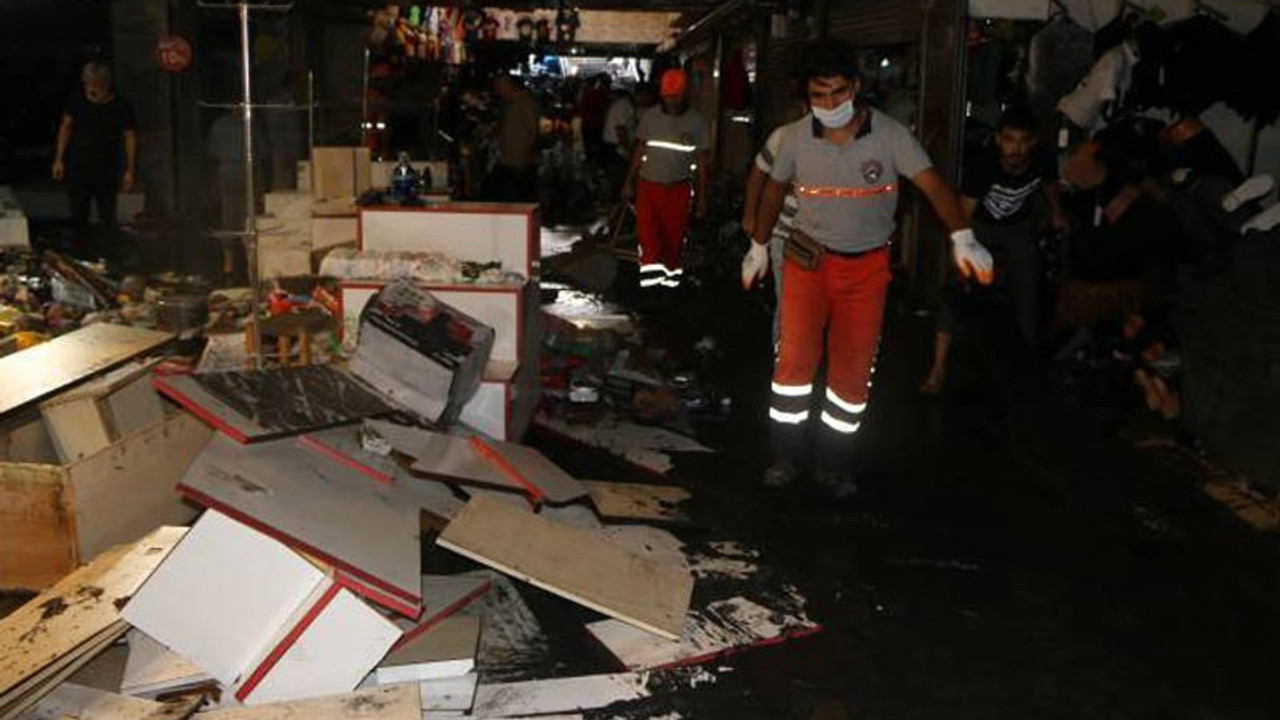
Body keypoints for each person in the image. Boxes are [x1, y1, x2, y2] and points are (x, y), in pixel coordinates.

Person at [741, 39, 993, 494]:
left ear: (855, 87)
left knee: (852, 374)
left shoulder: (892, 135)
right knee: (793, 366)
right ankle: (786, 456)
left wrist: (963, 235)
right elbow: (774, 191)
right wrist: (759, 245)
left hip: (866, 272)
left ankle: (834, 465)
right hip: (806, 265)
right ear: (807, 97)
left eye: (837, 93)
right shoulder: (796, 137)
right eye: (818, 96)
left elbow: (933, 185)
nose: (829, 104)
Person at [920, 106, 1067, 394]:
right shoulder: (983, 166)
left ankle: (1024, 368)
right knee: (958, 284)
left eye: (1023, 141)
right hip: (980, 224)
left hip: (1017, 225)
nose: (1016, 148)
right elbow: (963, 216)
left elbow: (1051, 186)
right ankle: (938, 368)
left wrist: (1056, 214)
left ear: (1032, 142)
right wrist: (965, 250)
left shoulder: (1042, 159)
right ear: (999, 140)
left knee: (1027, 284)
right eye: (1010, 140)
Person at [622, 68, 710, 290]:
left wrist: (701, 198)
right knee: (649, 238)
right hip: (648, 187)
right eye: (668, 96)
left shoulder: (697, 122)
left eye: (676, 96)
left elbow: (701, 163)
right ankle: (651, 287)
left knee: (673, 240)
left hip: (678, 189)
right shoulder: (651, 117)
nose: (671, 101)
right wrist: (628, 182)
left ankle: (670, 286)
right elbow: (640, 150)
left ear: (685, 95)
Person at [742, 98, 809, 345]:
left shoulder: (846, 143)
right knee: (790, 304)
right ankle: (785, 364)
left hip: (829, 240)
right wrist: (752, 219)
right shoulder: (784, 137)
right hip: (786, 235)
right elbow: (759, 176)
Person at [52, 61, 137, 242]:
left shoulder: (120, 105)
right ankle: (80, 249)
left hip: (106, 168)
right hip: (78, 166)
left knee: (107, 215)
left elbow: (130, 137)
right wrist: (59, 159)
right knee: (78, 213)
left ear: (103, 84)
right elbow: (65, 127)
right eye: (87, 83)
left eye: (92, 84)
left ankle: (108, 252)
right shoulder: (77, 100)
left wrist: (129, 170)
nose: (89, 87)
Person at [484, 73, 539, 203]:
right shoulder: (509, 105)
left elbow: (532, 132)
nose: (498, 92)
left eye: (500, 88)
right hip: (509, 158)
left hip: (519, 161)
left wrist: (525, 157)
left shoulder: (525, 103)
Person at [601, 83, 654, 197]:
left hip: (619, 147)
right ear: (641, 95)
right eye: (647, 98)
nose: (647, 102)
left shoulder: (631, 106)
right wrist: (630, 152)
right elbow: (621, 131)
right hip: (615, 148)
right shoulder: (623, 106)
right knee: (619, 178)